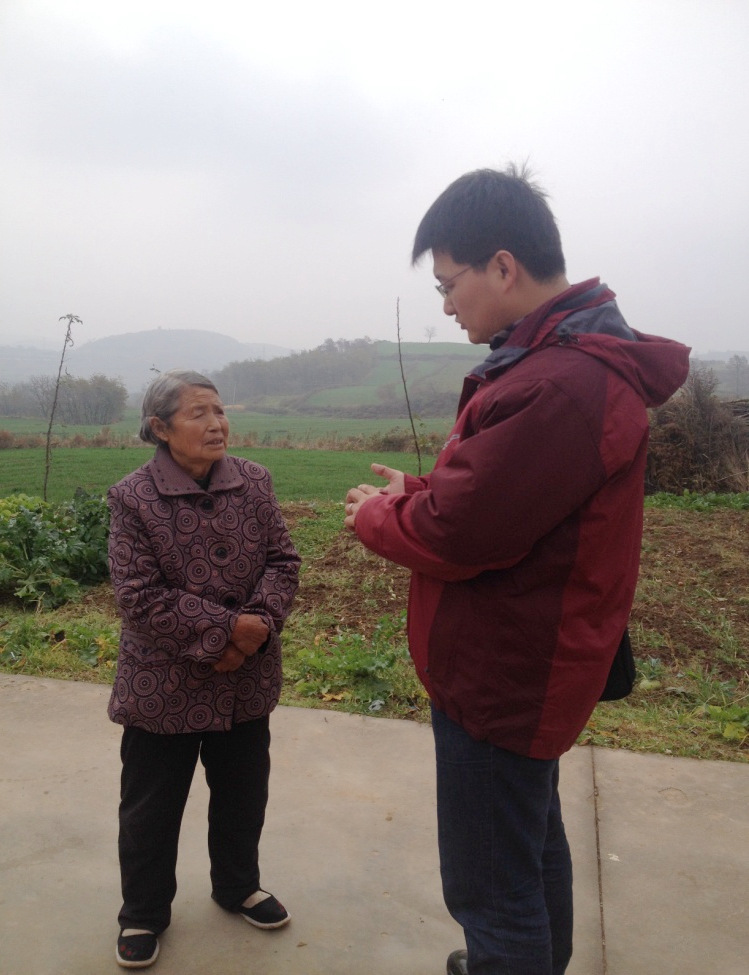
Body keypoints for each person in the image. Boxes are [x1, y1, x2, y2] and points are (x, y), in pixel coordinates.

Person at [344, 166, 690, 975]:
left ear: (503, 267)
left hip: (502, 674)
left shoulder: (562, 383)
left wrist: (375, 516)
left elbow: (462, 531)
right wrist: (419, 489)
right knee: (527, 847)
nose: (446, 305)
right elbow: (506, 499)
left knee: (492, 889)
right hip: (519, 663)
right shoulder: (558, 362)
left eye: (448, 284)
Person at [107, 369, 300, 969]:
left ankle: (238, 885)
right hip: (163, 683)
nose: (217, 424)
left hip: (246, 681)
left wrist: (252, 632)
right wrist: (226, 632)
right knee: (151, 806)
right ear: (160, 428)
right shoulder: (132, 497)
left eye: (219, 410)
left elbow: (283, 561)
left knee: (243, 793)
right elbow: (137, 595)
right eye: (199, 413)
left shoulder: (254, 481)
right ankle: (143, 911)